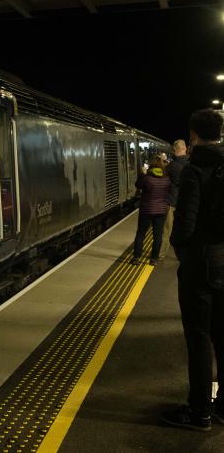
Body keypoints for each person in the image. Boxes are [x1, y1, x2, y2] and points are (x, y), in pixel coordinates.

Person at [161, 109, 224, 431]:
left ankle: (199, 412)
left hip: (203, 263)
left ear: (194, 135)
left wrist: (184, 253)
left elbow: (185, 225)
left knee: (199, 338)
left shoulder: (195, 169)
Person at [132, 155, 171, 266]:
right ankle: (154, 259)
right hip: (161, 211)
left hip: (146, 210)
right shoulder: (167, 179)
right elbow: (168, 191)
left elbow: (138, 185)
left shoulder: (147, 178)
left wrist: (143, 174)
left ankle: (136, 258)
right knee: (158, 235)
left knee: (141, 234)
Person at [159, 139, 188, 259]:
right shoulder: (190, 164)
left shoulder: (171, 166)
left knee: (166, 230)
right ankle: (183, 254)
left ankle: (160, 255)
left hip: (170, 201)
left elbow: (162, 182)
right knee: (184, 230)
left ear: (175, 150)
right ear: (185, 149)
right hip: (186, 203)